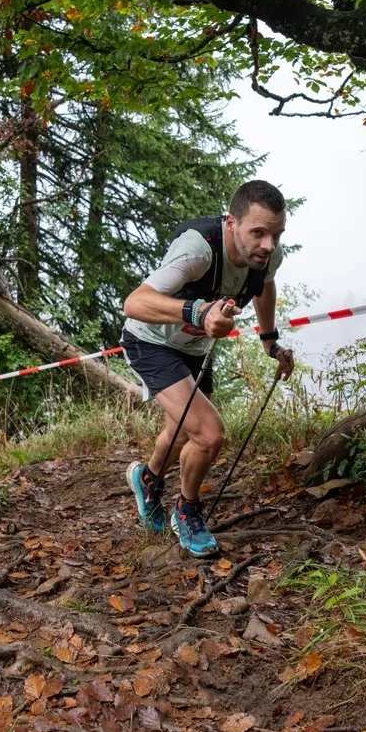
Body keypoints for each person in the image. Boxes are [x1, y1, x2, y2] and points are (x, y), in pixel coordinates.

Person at [122, 180, 296, 556]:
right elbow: (135, 302)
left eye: (276, 234)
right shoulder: (198, 249)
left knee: (185, 432)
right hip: (151, 340)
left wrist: (270, 341)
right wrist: (199, 311)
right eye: (259, 232)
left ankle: (148, 479)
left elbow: (264, 286)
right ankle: (187, 511)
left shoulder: (266, 256)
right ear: (231, 223)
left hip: (197, 344)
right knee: (210, 434)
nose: (268, 244)